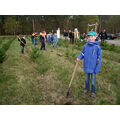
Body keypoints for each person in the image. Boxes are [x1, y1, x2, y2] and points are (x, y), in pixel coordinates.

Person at [76, 31, 102, 98]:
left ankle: (93, 92)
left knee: (93, 81)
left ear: (95, 37)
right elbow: (82, 54)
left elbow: (99, 59)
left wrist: (97, 68)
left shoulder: (97, 47)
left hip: (93, 68)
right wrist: (79, 57)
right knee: (86, 79)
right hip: (86, 66)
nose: (91, 38)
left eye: (92, 37)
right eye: (89, 37)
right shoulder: (85, 46)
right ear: (87, 37)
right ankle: (86, 89)